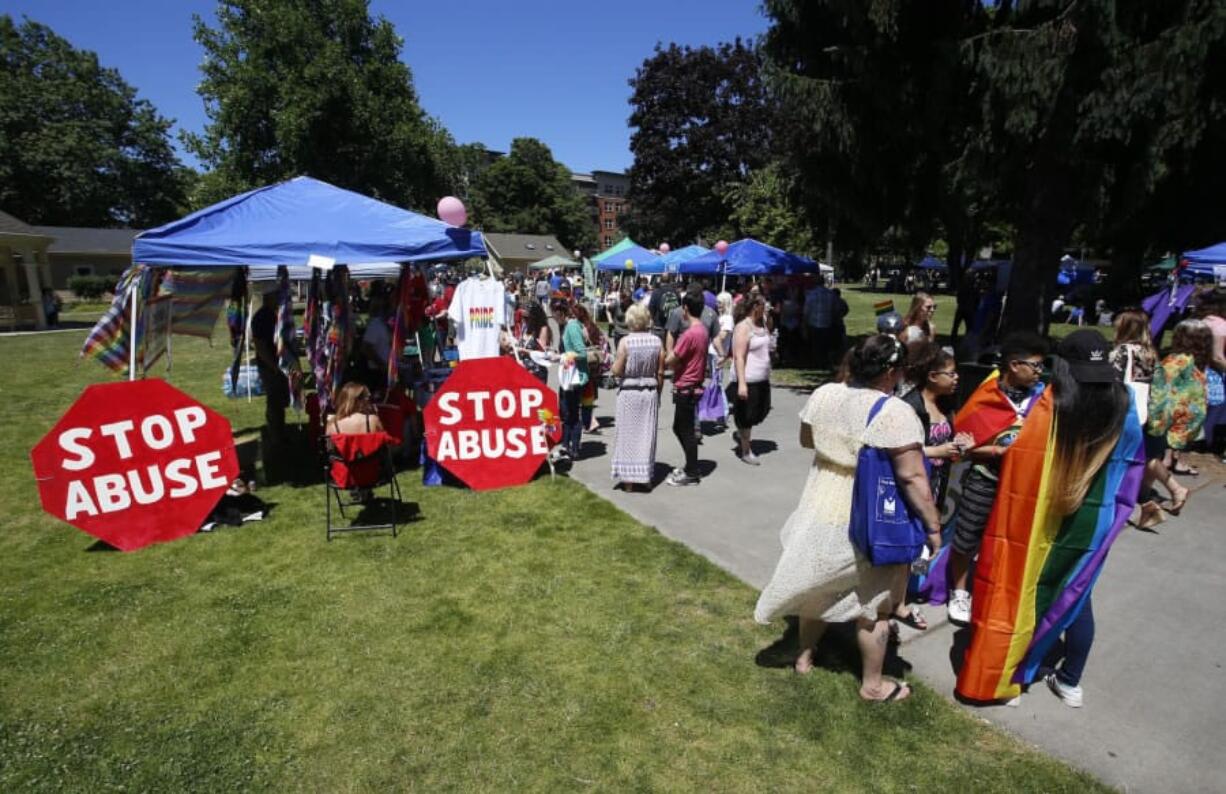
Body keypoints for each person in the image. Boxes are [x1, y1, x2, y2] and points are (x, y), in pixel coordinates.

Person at [956, 330, 1141, 708]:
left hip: (1041, 515)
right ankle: (1070, 681)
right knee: (1077, 592)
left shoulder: (1052, 401)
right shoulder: (1125, 400)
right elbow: (1132, 462)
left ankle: (1006, 678)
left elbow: (1023, 460)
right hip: (1093, 518)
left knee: (1020, 591)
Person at [754, 335, 941, 701]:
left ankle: (804, 657)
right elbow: (912, 475)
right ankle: (873, 685)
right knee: (876, 604)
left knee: (819, 585)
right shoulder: (894, 412)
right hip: (867, 514)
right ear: (890, 371)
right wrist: (933, 525)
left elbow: (808, 440)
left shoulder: (824, 394)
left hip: (821, 501)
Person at [946, 332, 1048, 626]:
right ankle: (960, 591)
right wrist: (993, 450)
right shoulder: (987, 396)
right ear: (1014, 365)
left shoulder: (1043, 398)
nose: (1039, 372)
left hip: (1024, 484)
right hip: (985, 477)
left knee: (1013, 539)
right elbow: (961, 448)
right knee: (968, 534)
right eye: (1035, 366)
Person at [1110, 309, 1188, 529]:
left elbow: (1113, 383)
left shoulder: (1122, 352)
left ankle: (1136, 506)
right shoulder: (1150, 353)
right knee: (1135, 461)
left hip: (1124, 411)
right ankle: (1146, 504)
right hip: (1145, 412)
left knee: (1116, 462)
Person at [1149, 319, 1212, 481]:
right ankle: (1177, 461)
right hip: (1186, 406)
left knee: (1174, 432)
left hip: (1173, 405)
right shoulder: (1193, 361)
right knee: (1184, 433)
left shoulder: (1172, 358)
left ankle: (1168, 459)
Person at [610, 304, 665, 490]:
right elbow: (660, 372)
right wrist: (659, 395)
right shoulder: (657, 342)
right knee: (646, 436)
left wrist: (612, 366)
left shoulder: (625, 342)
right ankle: (646, 478)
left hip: (629, 392)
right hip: (649, 392)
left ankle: (628, 482)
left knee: (627, 436)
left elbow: (617, 370)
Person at [663, 290, 709, 486]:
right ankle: (691, 465)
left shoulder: (690, 334)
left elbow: (671, 360)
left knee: (686, 430)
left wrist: (668, 356)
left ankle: (692, 470)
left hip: (687, 386)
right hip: (692, 385)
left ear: (686, 308)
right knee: (680, 427)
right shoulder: (703, 331)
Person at [729, 295, 772, 464]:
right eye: (764, 305)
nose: (767, 307)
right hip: (748, 378)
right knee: (747, 416)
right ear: (755, 306)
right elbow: (739, 357)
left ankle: (742, 434)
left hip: (762, 378)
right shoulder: (743, 327)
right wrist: (742, 383)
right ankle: (746, 450)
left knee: (763, 410)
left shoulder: (763, 323)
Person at [251, 288, 289, 444]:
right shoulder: (262, 317)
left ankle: (279, 431)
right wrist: (273, 366)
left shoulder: (273, 314)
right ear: (268, 297)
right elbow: (260, 346)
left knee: (279, 400)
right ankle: (276, 435)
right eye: (276, 296)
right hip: (269, 366)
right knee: (274, 401)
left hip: (276, 364)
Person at [557, 300, 588, 460]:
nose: (554, 319)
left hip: (575, 378)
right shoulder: (566, 327)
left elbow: (581, 352)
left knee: (572, 414)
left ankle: (574, 448)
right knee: (566, 413)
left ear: (561, 313)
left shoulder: (572, 327)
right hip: (567, 377)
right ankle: (566, 445)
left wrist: (564, 356)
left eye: (555, 316)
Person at [573, 303, 604, 434]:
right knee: (589, 395)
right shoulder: (592, 326)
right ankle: (588, 420)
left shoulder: (580, 328)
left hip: (584, 364)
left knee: (583, 395)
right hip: (594, 364)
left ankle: (590, 422)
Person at [803, 279, 834, 368]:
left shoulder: (811, 294)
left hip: (814, 323)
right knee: (825, 344)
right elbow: (834, 308)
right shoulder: (830, 294)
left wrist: (804, 324)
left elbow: (806, 311)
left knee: (815, 345)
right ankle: (824, 362)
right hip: (826, 322)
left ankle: (817, 362)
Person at [518, 301, 552, 383]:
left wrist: (523, 351)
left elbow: (541, 353)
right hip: (524, 370)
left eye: (527, 318)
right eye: (523, 317)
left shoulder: (542, 329)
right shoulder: (525, 327)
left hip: (536, 371)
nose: (524, 320)